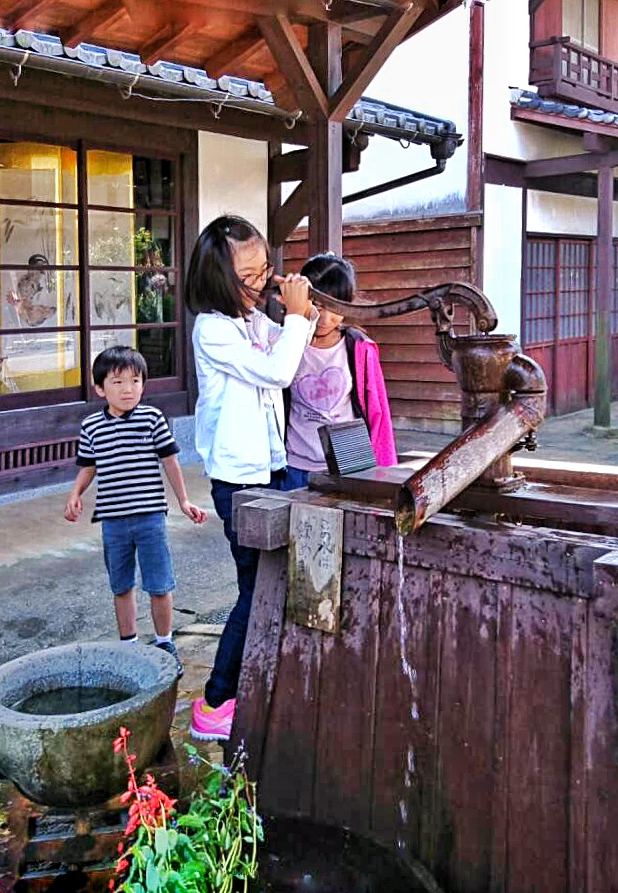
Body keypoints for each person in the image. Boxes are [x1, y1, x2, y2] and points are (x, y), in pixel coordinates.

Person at [187, 215, 316, 741]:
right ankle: (216, 702)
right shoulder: (213, 329)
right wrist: (298, 319)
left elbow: (289, 347)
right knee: (254, 588)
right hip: (239, 482)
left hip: (271, 469)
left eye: (265, 269)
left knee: (271, 584)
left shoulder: (251, 320)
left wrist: (304, 312)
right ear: (219, 278)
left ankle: (254, 681)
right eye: (249, 275)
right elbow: (278, 370)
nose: (262, 281)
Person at [65, 346, 208, 674]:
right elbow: (88, 466)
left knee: (160, 583)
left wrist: (184, 501)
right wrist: (75, 494)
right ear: (100, 388)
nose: (127, 389)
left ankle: (164, 642)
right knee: (121, 585)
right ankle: (128, 645)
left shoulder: (152, 418)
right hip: (113, 521)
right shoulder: (91, 426)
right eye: (117, 382)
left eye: (135, 381)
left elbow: (170, 462)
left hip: (150, 518)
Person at [282, 253, 398, 489]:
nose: (324, 318)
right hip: (296, 466)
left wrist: (385, 474)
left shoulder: (360, 349)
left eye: (334, 306)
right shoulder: (288, 343)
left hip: (349, 467)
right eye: (317, 305)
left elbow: (378, 414)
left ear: (348, 305)